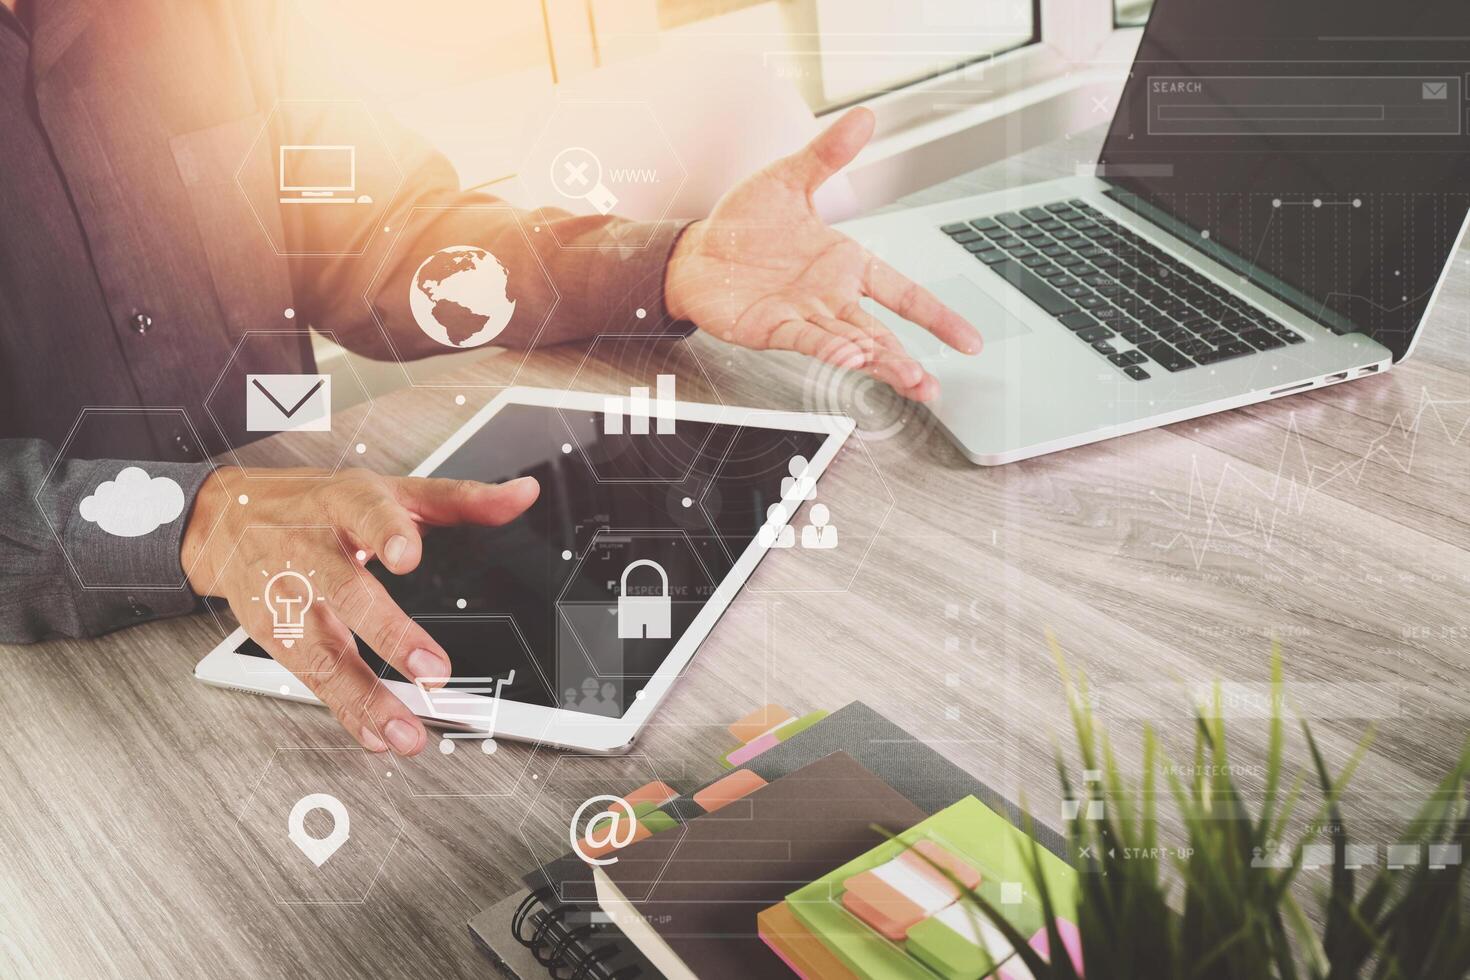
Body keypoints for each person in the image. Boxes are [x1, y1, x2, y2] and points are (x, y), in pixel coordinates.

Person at [0, 0, 980, 757]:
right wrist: (200, 521)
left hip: (323, 612)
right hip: (47, 711)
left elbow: (377, 237)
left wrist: (663, 266)